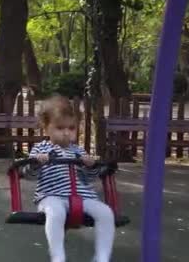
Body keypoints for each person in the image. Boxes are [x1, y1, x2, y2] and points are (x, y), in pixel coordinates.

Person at [29, 95, 115, 262]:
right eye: (60, 128)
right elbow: (30, 175)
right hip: (51, 196)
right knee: (56, 213)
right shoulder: (40, 149)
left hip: (83, 197)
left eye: (71, 128)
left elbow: (89, 178)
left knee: (106, 213)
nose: (66, 132)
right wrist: (37, 162)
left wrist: (90, 166)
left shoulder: (79, 151)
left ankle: (102, 257)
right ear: (46, 128)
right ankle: (58, 256)